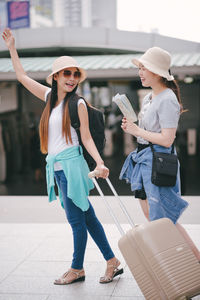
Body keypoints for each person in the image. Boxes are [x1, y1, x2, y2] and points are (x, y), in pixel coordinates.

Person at [2, 28, 123, 284]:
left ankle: (77, 268)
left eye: (75, 74)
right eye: (66, 73)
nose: (71, 78)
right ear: (55, 77)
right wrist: (12, 47)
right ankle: (112, 261)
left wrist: (100, 162)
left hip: (73, 167)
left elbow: (87, 137)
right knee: (87, 216)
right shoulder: (49, 99)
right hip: (57, 168)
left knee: (76, 220)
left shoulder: (77, 104)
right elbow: (22, 77)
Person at [120, 46, 200, 261]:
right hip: (144, 159)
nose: (140, 72)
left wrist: (137, 131)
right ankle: (183, 260)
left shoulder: (167, 99)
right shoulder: (148, 98)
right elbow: (147, 132)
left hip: (159, 161)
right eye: (140, 68)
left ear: (158, 72)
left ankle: (193, 260)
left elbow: (167, 139)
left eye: (144, 68)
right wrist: (132, 128)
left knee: (162, 219)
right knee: (151, 216)